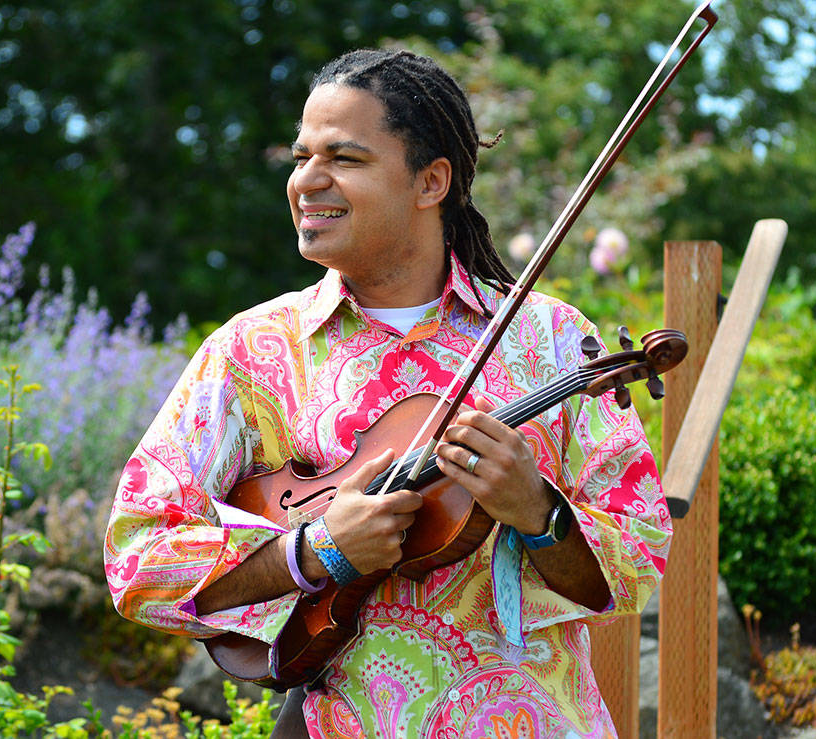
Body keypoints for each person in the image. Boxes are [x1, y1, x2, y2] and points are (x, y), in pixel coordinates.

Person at [104, 48, 673, 738]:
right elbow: (137, 556)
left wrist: (534, 509)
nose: (306, 181)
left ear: (431, 181)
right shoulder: (252, 350)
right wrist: (311, 551)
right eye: (301, 156)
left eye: (344, 159)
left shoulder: (550, 337)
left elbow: (640, 558)